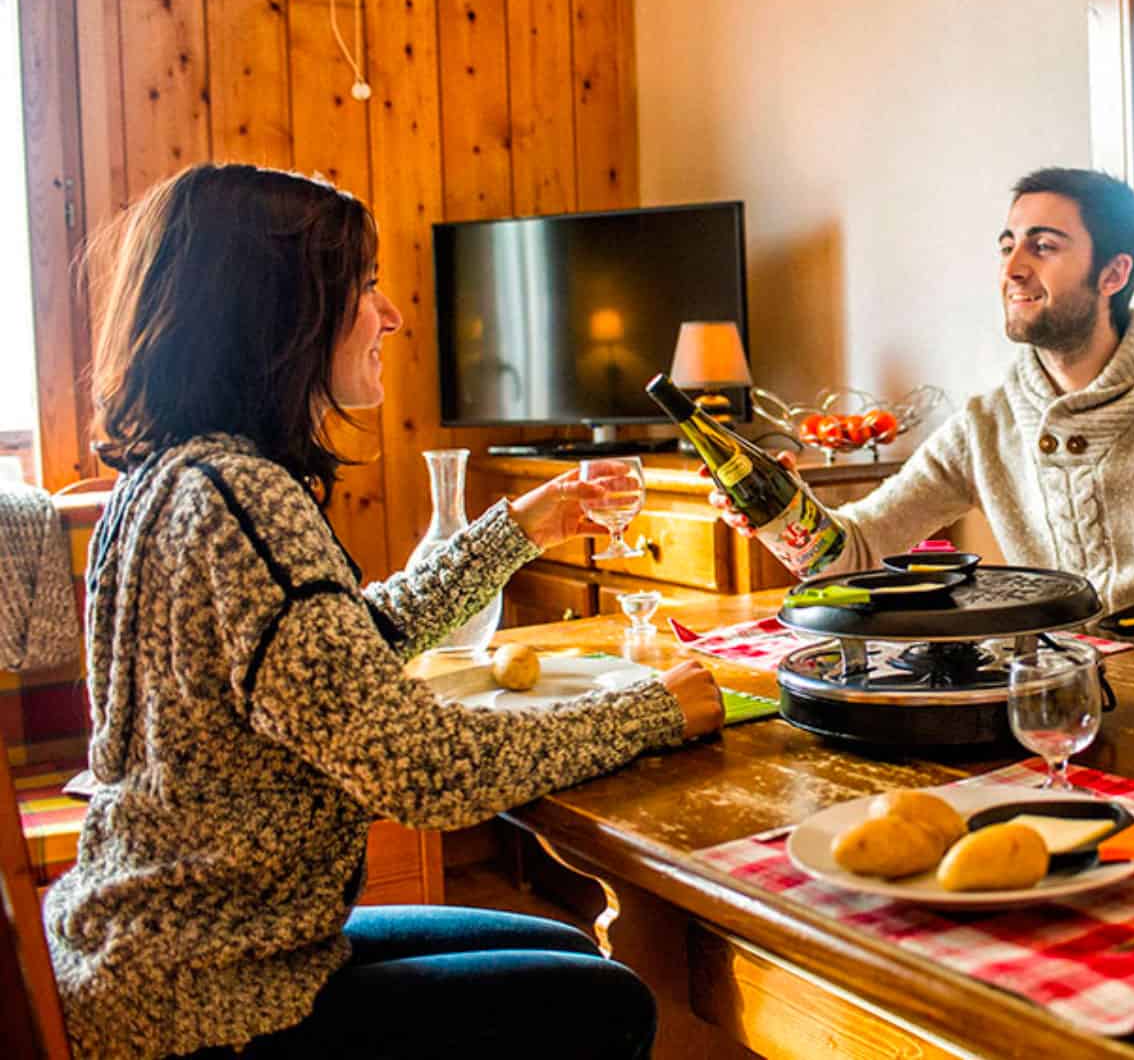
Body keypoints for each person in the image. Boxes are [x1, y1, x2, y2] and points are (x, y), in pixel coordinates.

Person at [43, 164, 725, 1060]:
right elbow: (422, 769)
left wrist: (513, 528)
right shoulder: (242, 499)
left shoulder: (170, 478)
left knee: (571, 954)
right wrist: (653, 711)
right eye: (364, 287)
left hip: (154, 955)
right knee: (605, 1005)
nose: (392, 315)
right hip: (207, 1006)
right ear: (280, 312)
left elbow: (340, 653)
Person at [717, 167, 1134, 674]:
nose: (1013, 268)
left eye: (1043, 246)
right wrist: (779, 513)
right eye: (1008, 244)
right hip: (1027, 710)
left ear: (1114, 273)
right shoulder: (983, 425)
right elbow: (850, 553)